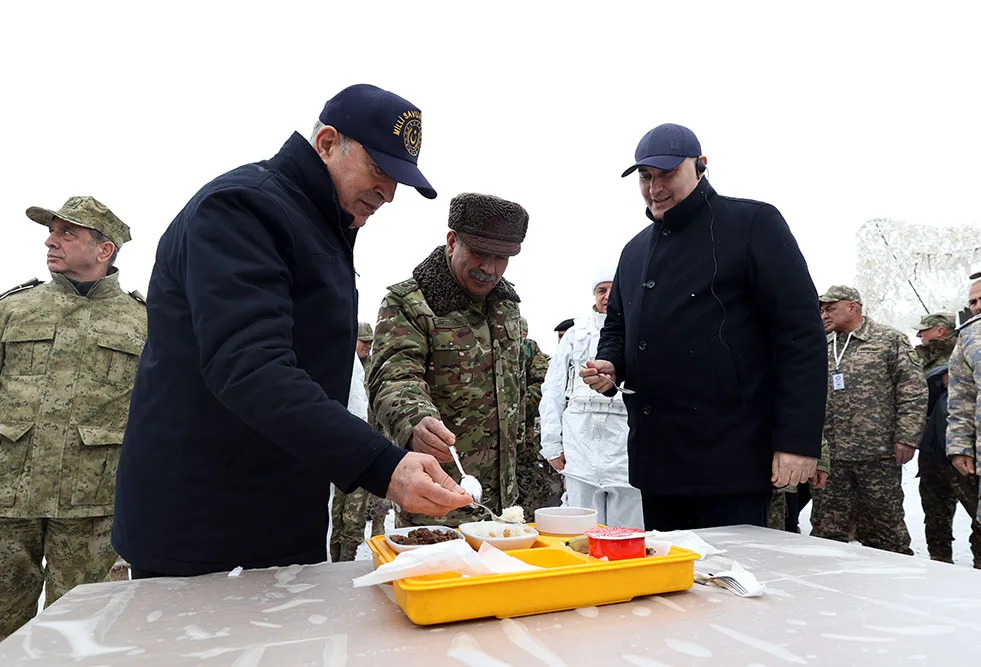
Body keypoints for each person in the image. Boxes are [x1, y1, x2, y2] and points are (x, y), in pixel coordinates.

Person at [112, 84, 472, 579]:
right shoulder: (241, 210)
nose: (388, 193)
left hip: (277, 508)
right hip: (205, 521)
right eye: (379, 170)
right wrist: (381, 465)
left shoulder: (320, 225)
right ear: (326, 142)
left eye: (398, 181)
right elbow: (250, 367)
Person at [582, 123, 827, 531]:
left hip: (730, 456)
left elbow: (800, 336)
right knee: (670, 584)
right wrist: (611, 365)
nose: (655, 187)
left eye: (667, 174)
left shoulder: (753, 224)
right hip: (658, 458)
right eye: (646, 177)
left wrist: (797, 441)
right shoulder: (635, 249)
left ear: (700, 166)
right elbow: (618, 328)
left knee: (734, 584)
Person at [0, 197, 146, 640]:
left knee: (80, 632)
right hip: (8, 498)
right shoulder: (13, 309)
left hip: (93, 505)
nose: (50, 240)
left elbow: (157, 416)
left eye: (67, 233)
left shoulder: (144, 324)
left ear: (104, 250)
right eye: (52, 231)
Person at [369, 192, 529, 527]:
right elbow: (393, 377)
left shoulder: (506, 306)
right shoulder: (409, 303)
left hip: (503, 505)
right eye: (479, 253)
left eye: (502, 258)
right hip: (436, 504)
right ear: (452, 241)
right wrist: (416, 422)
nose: (489, 268)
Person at [812, 285, 926, 554]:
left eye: (830, 309)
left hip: (877, 455)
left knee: (885, 531)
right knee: (827, 531)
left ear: (853, 307)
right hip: (832, 457)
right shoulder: (820, 344)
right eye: (822, 310)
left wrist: (907, 437)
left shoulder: (888, 340)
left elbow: (913, 390)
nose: (824, 315)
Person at [540, 270, 642, 527]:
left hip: (625, 450)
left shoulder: (640, 331)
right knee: (580, 528)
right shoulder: (575, 334)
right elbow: (552, 390)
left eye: (612, 290)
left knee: (628, 531)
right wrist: (551, 443)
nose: (607, 297)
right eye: (601, 290)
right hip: (580, 448)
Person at [328, 324, 375, 562]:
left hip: (365, 449)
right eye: (363, 341)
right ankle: (334, 558)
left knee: (355, 512)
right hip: (341, 449)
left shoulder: (372, 369)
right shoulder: (340, 367)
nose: (367, 346)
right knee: (336, 510)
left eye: (370, 342)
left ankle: (348, 560)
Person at [946, 277, 981, 563]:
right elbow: (960, 398)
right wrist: (959, 446)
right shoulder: (968, 337)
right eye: (973, 302)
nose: (977, 307)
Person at [516, 317, 562, 514]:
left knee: (526, 479)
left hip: (523, 435)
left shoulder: (529, 349)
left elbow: (541, 385)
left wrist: (516, 410)